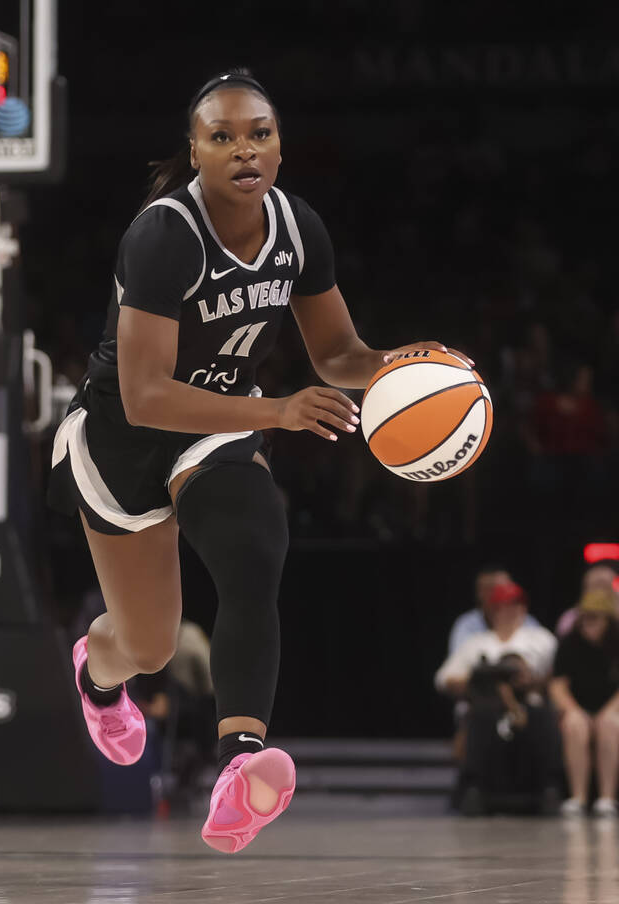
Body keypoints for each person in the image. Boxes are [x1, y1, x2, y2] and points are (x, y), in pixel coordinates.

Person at [47, 68, 468, 852]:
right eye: (224, 136)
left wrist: (405, 367)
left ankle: (241, 761)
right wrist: (277, 409)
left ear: (280, 147)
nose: (245, 149)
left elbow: (338, 352)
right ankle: (98, 672)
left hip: (216, 427)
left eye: (260, 134)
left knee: (254, 549)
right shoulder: (164, 235)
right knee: (151, 646)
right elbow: (145, 395)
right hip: (122, 436)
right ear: (196, 153)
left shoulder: (299, 227)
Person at [435, 581, 561, 814]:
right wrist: (478, 681)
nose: (511, 611)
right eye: (503, 606)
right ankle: (476, 789)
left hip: (529, 707)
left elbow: (560, 674)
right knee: (479, 719)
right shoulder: (476, 643)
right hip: (487, 708)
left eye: (516, 605)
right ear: (493, 611)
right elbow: (445, 679)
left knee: (543, 717)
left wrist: (531, 681)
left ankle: (546, 788)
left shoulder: (540, 639)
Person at [549, 589, 619, 817]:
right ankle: (578, 797)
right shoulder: (569, 643)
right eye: (585, 616)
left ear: (607, 619)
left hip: (612, 709)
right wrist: (574, 711)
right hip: (579, 707)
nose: (589, 623)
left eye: (595, 617)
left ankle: (607, 798)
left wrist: (608, 712)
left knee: (610, 725)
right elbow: (557, 686)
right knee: (574, 725)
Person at [447, 565, 537, 656]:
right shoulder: (467, 626)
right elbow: (458, 663)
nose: (503, 595)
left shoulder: (532, 626)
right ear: (480, 594)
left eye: (506, 588)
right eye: (491, 589)